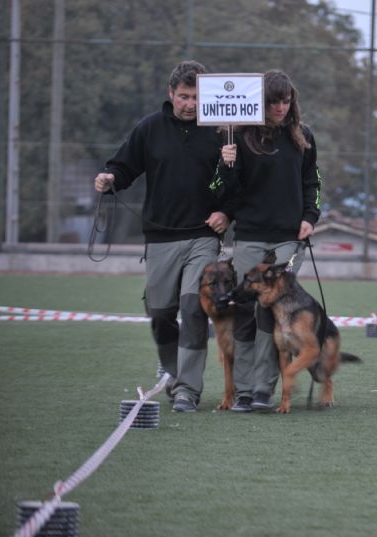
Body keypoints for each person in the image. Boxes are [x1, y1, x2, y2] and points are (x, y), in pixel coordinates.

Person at [94, 60, 229, 413]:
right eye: (184, 96)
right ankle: (172, 373)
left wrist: (226, 212)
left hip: (203, 236)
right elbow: (124, 166)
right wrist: (109, 179)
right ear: (171, 94)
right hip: (160, 238)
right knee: (160, 312)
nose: (190, 104)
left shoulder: (221, 132)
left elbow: (237, 184)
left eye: (197, 97)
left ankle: (188, 390)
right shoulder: (149, 128)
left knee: (193, 307)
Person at [212, 70, 322, 413]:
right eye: (274, 101)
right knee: (245, 310)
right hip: (249, 236)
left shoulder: (303, 137)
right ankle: (242, 390)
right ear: (261, 102)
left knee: (274, 314)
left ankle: (263, 389)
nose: (280, 107)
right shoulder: (240, 138)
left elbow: (312, 184)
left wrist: (310, 217)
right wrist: (226, 166)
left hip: (289, 239)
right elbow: (222, 191)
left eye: (286, 100)